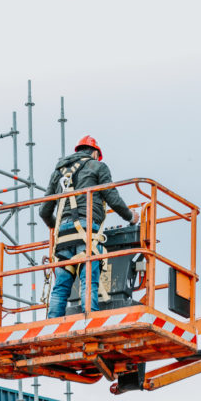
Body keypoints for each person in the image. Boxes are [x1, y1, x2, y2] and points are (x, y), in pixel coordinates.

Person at [39, 135, 139, 318]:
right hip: (86, 233)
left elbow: (44, 211)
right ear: (95, 153)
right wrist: (131, 217)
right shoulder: (98, 166)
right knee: (89, 279)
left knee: (61, 285)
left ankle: (52, 325)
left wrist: (58, 228)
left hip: (62, 237)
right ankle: (89, 320)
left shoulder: (58, 173)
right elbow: (112, 198)